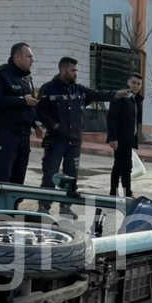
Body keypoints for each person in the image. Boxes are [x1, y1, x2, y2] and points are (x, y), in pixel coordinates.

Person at [36, 57, 128, 209]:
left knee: (71, 176)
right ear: (63, 70)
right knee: (50, 175)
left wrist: (116, 94)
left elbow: (98, 94)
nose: (75, 73)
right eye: (73, 70)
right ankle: (44, 207)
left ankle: (66, 207)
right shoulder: (48, 89)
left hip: (74, 142)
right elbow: (40, 111)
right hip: (55, 141)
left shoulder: (78, 90)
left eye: (76, 70)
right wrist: (55, 126)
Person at [0, 42, 41, 184]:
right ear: (17, 57)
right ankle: (0, 207)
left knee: (18, 180)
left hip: (24, 136)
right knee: (3, 179)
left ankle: (14, 206)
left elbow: (31, 104)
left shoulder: (27, 78)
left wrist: (36, 125)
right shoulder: (0, 74)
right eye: (29, 56)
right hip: (6, 134)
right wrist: (22, 100)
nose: (32, 60)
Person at [107, 73, 144, 197]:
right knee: (122, 165)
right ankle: (122, 191)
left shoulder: (137, 99)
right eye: (133, 82)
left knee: (123, 165)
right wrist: (113, 138)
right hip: (119, 137)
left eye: (138, 84)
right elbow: (111, 118)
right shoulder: (120, 96)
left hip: (129, 138)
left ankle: (120, 191)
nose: (136, 86)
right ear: (128, 82)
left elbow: (136, 119)